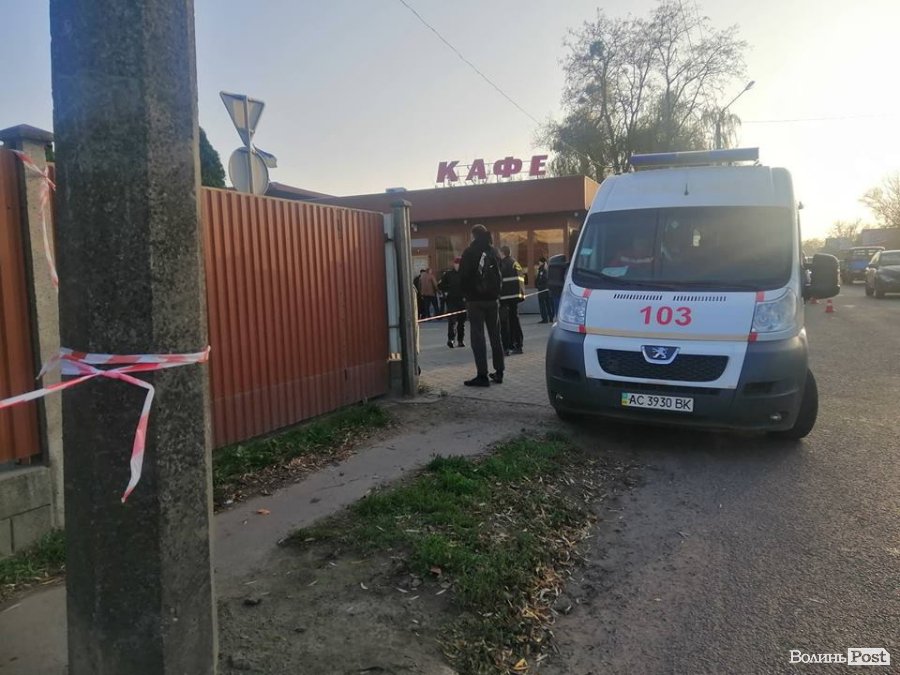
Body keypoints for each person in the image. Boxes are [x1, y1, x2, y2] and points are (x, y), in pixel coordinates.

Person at [459, 224, 504, 386]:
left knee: (478, 338)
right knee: (495, 336)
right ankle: (499, 372)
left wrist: (466, 295)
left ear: (473, 235)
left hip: (475, 301)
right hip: (493, 300)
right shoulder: (494, 252)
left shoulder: (469, 252)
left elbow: (463, 276)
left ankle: (482, 375)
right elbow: (501, 273)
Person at [499, 246, 525, 355]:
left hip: (505, 298)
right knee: (515, 320)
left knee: (505, 322)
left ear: (502, 253)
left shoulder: (503, 264)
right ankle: (518, 344)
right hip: (515, 296)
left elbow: (499, 280)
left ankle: (508, 346)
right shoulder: (515, 263)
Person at [438, 257, 466, 349]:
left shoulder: (465, 274)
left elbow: (469, 286)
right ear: (454, 264)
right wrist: (447, 290)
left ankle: (460, 340)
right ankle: (451, 339)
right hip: (451, 300)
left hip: (462, 301)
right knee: (452, 321)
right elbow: (440, 285)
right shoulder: (448, 274)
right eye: (456, 263)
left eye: (459, 264)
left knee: (461, 322)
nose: (457, 265)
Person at [535, 256, 553, 323]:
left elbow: (542, 279)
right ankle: (550, 318)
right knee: (548, 304)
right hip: (546, 289)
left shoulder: (542, 269)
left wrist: (538, 285)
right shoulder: (546, 268)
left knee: (543, 305)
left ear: (541, 262)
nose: (538, 263)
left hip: (542, 289)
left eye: (539, 262)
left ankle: (545, 319)